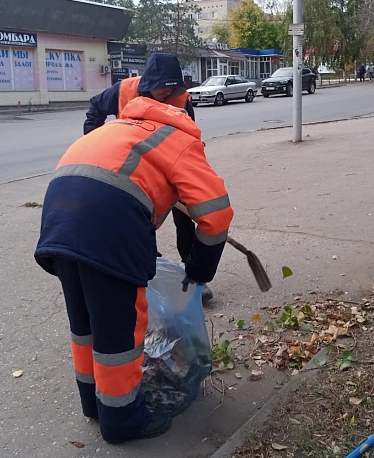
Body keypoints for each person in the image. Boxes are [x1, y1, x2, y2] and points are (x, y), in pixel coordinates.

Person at [34, 52, 234, 444]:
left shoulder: (121, 126)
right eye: (185, 96)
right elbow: (216, 214)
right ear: (177, 96)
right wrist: (198, 270)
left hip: (59, 219)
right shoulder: (178, 138)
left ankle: (94, 402)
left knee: (86, 324)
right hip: (106, 229)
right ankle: (122, 421)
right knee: (119, 333)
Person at [84, 58, 214, 303]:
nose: (168, 92)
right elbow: (95, 110)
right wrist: (97, 144)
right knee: (139, 216)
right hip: (129, 167)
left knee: (186, 214)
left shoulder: (181, 100)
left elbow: (190, 139)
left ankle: (194, 275)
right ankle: (149, 267)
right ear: (150, 81)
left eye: (173, 86)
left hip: (168, 162)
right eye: (164, 86)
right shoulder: (123, 91)